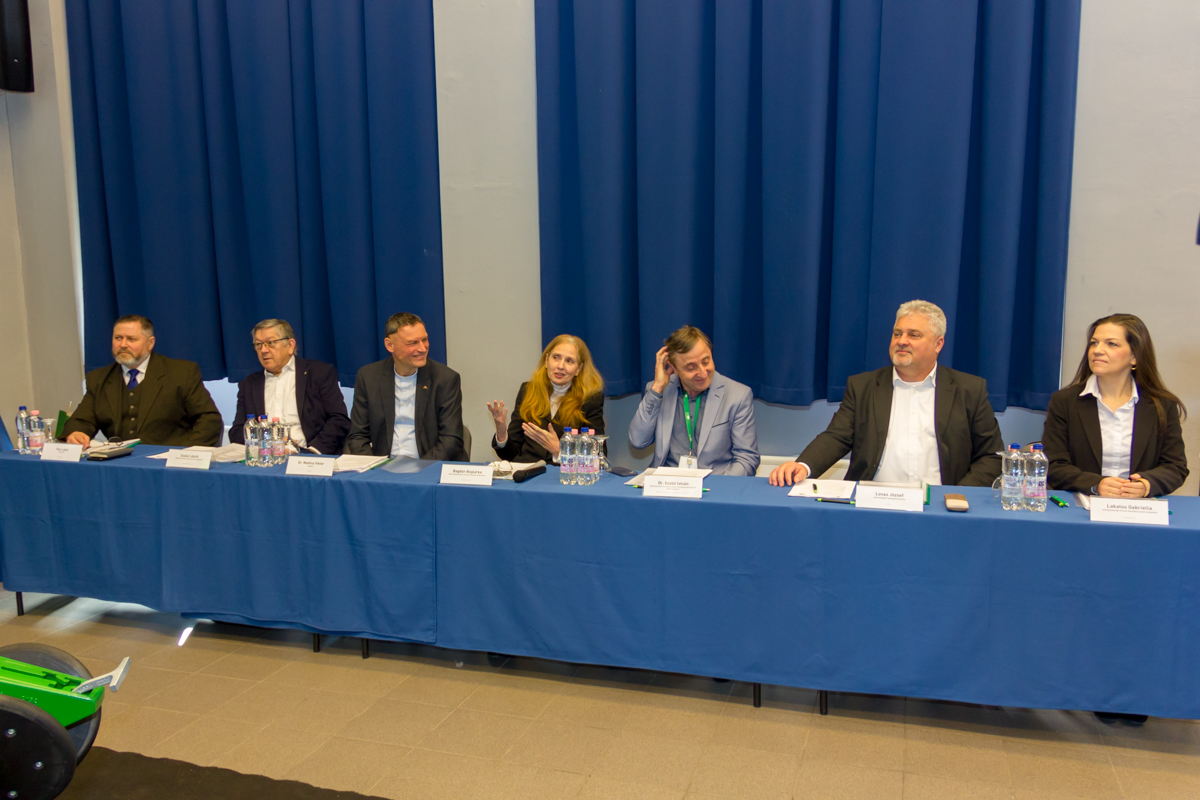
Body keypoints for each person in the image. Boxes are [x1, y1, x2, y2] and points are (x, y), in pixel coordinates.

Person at [770, 300, 1002, 487]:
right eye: (897, 333)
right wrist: (804, 466)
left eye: (913, 335)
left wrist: (955, 497)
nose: (902, 341)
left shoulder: (969, 390)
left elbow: (991, 456)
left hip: (940, 506)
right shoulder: (864, 387)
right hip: (873, 503)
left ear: (938, 344)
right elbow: (836, 437)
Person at [1042, 313, 1187, 498]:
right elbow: (1054, 465)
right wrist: (1095, 484)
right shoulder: (1064, 401)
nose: (1097, 350)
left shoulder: (1162, 405)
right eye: (1094, 343)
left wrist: (1146, 485)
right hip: (1083, 505)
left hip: (1139, 507)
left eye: (1111, 344)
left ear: (1135, 356)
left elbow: (1175, 467)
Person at [64, 315, 222, 447]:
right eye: (118, 338)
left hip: (170, 462)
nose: (123, 345)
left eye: (131, 339)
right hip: (119, 463)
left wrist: (187, 453)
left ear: (150, 343)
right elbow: (81, 420)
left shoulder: (181, 373)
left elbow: (209, 420)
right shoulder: (99, 378)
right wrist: (76, 433)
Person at [628, 325, 759, 476]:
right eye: (691, 367)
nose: (702, 373)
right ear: (674, 368)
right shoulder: (660, 391)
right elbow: (638, 441)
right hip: (668, 483)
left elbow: (747, 459)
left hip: (714, 483)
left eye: (706, 361)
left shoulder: (737, 395)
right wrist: (657, 388)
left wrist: (719, 487)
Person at [344, 312, 466, 460]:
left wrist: (419, 469)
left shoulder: (445, 379)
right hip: (383, 467)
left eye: (424, 340)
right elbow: (357, 436)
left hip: (430, 466)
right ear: (390, 345)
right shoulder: (368, 377)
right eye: (412, 343)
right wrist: (375, 467)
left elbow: (451, 440)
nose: (422, 348)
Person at [228, 319, 350, 455]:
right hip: (266, 458)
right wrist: (265, 448)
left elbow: (339, 419)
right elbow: (237, 431)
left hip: (309, 456)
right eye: (258, 344)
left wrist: (313, 452)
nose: (263, 350)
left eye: (270, 343)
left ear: (290, 345)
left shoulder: (319, 373)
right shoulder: (249, 384)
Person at [486, 334, 605, 464]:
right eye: (556, 357)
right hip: (527, 472)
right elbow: (511, 455)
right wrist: (502, 432)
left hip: (562, 474)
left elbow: (598, 455)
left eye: (569, 361)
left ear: (578, 369)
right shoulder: (528, 391)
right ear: (547, 360)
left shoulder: (590, 400)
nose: (561, 366)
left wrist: (559, 451)